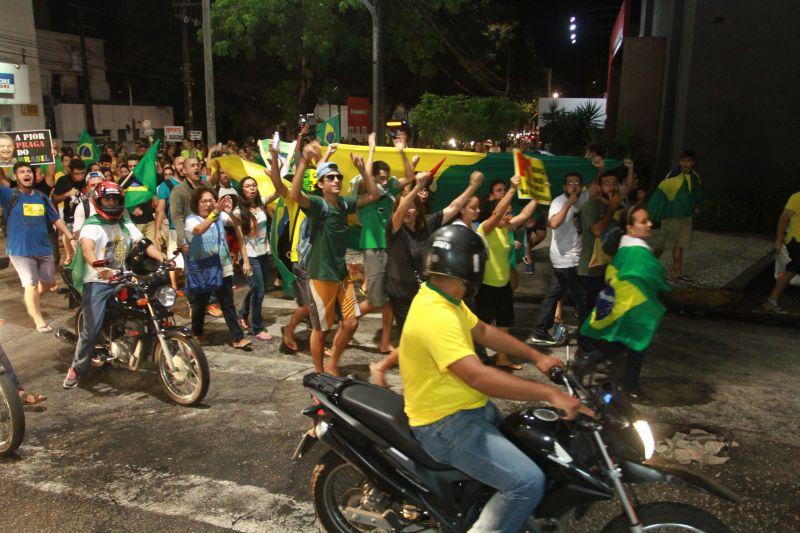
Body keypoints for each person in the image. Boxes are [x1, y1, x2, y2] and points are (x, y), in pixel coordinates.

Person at [400, 224, 592, 533]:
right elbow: (478, 376)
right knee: (527, 482)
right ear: (471, 267)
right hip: (444, 424)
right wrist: (550, 394)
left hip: (469, 409)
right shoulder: (437, 314)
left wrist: (537, 356)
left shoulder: (443, 297)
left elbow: (485, 332)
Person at [369, 170, 484, 386]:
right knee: (413, 338)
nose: (408, 210)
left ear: (419, 208)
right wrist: (413, 189)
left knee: (425, 335)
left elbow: (453, 208)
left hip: (424, 293)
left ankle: (390, 367)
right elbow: (399, 212)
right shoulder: (393, 229)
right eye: (405, 206)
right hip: (401, 293)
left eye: (412, 206)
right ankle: (413, 381)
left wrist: (473, 185)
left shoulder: (427, 225)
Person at [63, 181, 166, 388]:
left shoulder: (124, 223)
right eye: (107, 199)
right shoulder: (92, 225)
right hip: (97, 281)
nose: (111, 203)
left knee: (150, 305)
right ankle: (76, 368)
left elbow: (143, 243)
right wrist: (98, 266)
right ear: (98, 201)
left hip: (121, 277)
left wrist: (162, 258)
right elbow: (88, 250)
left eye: (115, 199)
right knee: (91, 330)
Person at [290, 138, 379, 376]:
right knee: (321, 330)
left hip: (342, 275)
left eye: (338, 177)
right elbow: (294, 193)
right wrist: (303, 162)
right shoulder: (318, 205)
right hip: (321, 276)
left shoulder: (343, 203)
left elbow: (372, 195)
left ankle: (332, 365)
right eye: (330, 177)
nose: (337, 180)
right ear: (320, 184)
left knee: (351, 323)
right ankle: (319, 375)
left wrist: (362, 169)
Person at [578, 205, 671, 399]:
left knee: (627, 342)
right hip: (635, 306)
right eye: (643, 221)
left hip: (628, 304)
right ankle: (629, 386)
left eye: (648, 220)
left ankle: (590, 363)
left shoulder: (626, 249)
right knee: (635, 343)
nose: (650, 224)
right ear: (630, 228)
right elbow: (654, 275)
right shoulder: (638, 252)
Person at [353, 133, 413, 354]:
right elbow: (366, 177)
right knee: (376, 300)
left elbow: (409, 176)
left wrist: (401, 151)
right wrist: (371, 149)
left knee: (389, 299)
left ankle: (385, 342)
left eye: (387, 177)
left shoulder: (391, 188)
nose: (385, 181)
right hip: (373, 248)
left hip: (390, 248)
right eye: (380, 178)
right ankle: (345, 317)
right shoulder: (364, 190)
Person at [0, 162, 74, 332]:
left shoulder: (41, 196)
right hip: (20, 250)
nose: (27, 174)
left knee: (47, 284)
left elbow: (55, 218)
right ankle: (38, 319)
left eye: (29, 171)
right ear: (15, 177)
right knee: (31, 285)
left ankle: (30, 299)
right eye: (22, 172)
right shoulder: (9, 195)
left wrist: (69, 236)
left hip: (43, 248)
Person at [475, 176, 539, 370]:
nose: (509, 216)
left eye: (510, 214)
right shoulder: (485, 229)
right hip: (486, 285)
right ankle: (478, 359)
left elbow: (526, 214)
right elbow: (496, 216)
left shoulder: (507, 228)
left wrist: (537, 195)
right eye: (506, 213)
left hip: (503, 285)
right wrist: (512, 188)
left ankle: (501, 357)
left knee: (504, 322)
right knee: (482, 325)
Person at [184, 186, 251, 350]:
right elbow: (199, 230)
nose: (208, 204)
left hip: (223, 266)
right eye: (204, 201)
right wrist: (216, 212)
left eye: (211, 200)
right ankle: (197, 333)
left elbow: (238, 224)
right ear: (196, 203)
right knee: (200, 305)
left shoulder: (220, 216)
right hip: (202, 270)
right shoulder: (191, 220)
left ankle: (237, 338)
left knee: (227, 303)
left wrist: (228, 212)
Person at [528, 172, 590, 346]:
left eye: (577, 182)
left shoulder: (584, 198)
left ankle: (539, 331)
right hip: (565, 259)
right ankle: (585, 338)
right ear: (564, 187)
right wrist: (569, 203)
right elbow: (553, 224)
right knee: (582, 297)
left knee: (553, 295)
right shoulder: (558, 202)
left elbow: (600, 188)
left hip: (573, 258)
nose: (574, 185)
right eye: (570, 182)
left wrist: (600, 169)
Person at [578, 171, 624, 332]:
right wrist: (611, 208)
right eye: (606, 183)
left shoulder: (620, 206)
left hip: (610, 266)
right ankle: (584, 348)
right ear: (599, 186)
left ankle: (598, 344)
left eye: (614, 182)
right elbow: (597, 231)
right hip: (592, 267)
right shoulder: (592, 206)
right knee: (591, 311)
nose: (611, 186)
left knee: (606, 308)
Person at [648, 149, 703, 282]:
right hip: (672, 215)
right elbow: (661, 195)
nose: (685, 163)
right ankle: (648, 266)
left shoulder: (695, 176)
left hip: (686, 215)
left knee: (680, 244)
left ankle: (676, 272)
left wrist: (696, 205)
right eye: (683, 160)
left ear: (693, 162)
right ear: (680, 161)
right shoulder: (673, 175)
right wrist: (655, 213)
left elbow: (696, 193)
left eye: (688, 160)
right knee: (664, 243)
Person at [236, 176, 279, 340]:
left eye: (254, 185)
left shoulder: (261, 203)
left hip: (263, 253)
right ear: (242, 189)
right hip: (249, 256)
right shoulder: (238, 211)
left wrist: (272, 174)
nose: (252, 188)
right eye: (248, 186)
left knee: (256, 288)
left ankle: (243, 313)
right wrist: (245, 262)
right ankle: (257, 328)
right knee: (259, 290)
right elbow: (240, 239)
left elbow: (278, 192)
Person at [763, 190, 800, 314]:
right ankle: (771, 301)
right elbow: (783, 219)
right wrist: (778, 240)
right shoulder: (796, 198)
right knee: (791, 270)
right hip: (796, 241)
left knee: (791, 270)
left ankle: (771, 301)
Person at [154, 164, 183, 291]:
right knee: (174, 259)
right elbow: (160, 210)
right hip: (174, 228)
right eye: (180, 163)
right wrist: (157, 230)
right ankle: (174, 286)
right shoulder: (165, 186)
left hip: (193, 228)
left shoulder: (193, 182)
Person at [53, 158, 87, 263]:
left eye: (82, 173)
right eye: (77, 173)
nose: (80, 176)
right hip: (70, 215)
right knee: (69, 236)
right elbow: (54, 199)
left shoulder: (87, 179)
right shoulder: (63, 180)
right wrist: (67, 194)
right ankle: (70, 257)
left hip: (87, 215)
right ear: (70, 171)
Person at [71, 171, 105, 238]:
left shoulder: (114, 202)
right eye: (93, 185)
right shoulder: (82, 207)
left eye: (99, 184)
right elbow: (77, 233)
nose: (96, 188)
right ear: (87, 188)